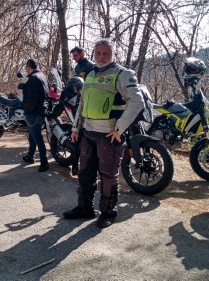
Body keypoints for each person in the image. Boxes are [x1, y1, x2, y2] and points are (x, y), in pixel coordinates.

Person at [63, 39, 145, 228]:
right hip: (88, 132)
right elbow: (82, 104)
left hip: (109, 135)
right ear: (93, 53)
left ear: (112, 54)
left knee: (108, 175)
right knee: (85, 173)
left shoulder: (123, 74)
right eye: (98, 53)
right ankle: (84, 208)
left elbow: (137, 101)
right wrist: (76, 128)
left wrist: (120, 129)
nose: (101, 56)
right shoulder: (90, 74)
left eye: (105, 53)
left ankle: (108, 212)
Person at [20, 58, 50, 172]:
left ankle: (44, 162)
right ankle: (30, 156)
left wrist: (27, 111)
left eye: (26, 68)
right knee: (32, 135)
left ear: (29, 67)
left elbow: (31, 99)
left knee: (37, 137)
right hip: (42, 110)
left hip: (34, 112)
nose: (26, 71)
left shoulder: (33, 78)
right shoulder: (42, 76)